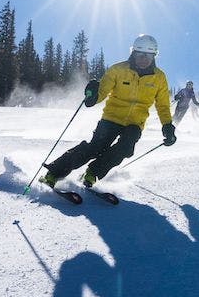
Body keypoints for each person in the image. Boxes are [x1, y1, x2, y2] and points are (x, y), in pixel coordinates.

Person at [40, 34, 175, 188]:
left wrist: (167, 126)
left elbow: (163, 105)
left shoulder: (159, 78)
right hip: (111, 118)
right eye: (140, 54)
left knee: (126, 148)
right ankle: (53, 173)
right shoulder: (118, 69)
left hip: (135, 123)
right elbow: (103, 90)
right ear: (133, 53)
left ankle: (92, 173)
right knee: (95, 148)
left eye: (148, 55)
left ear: (154, 56)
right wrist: (93, 97)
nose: (143, 59)